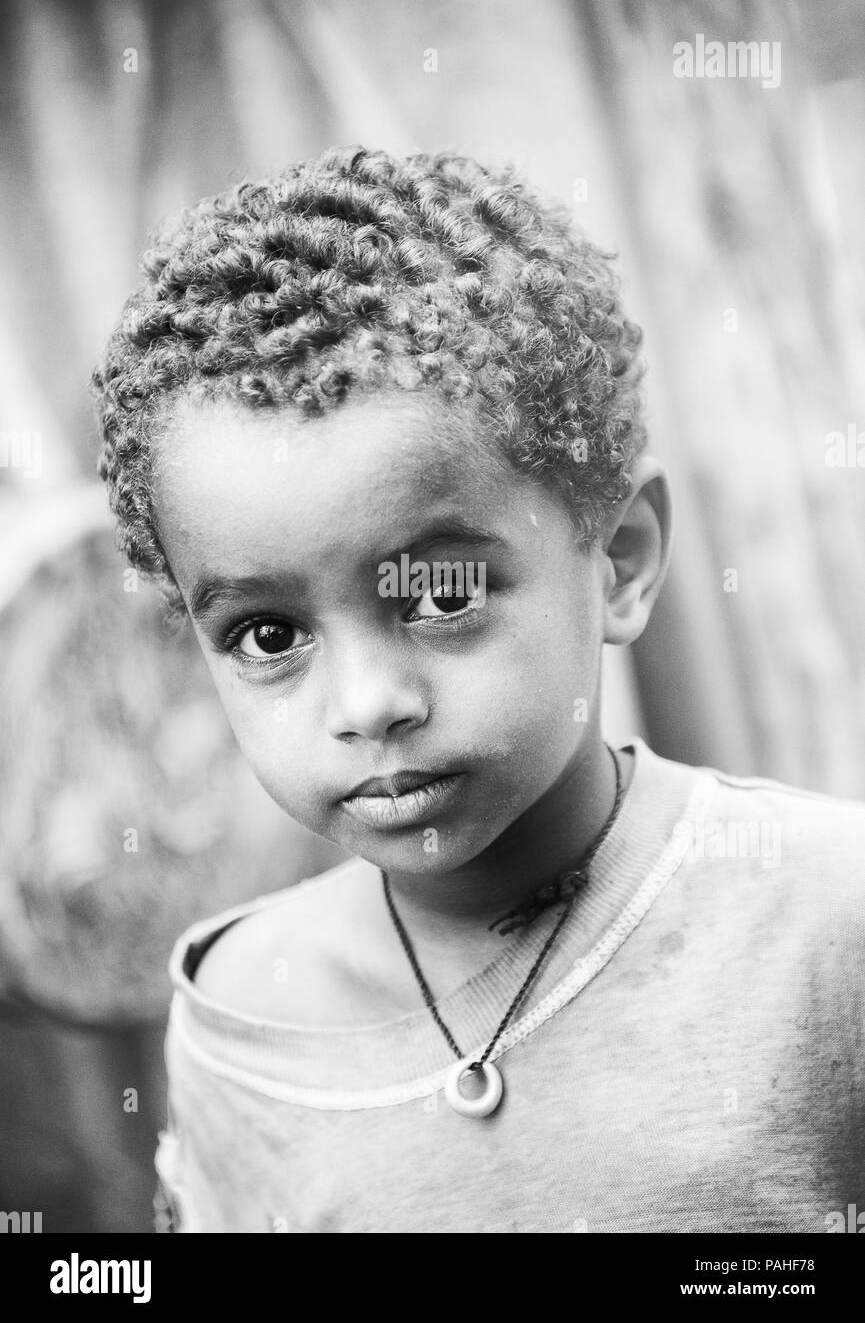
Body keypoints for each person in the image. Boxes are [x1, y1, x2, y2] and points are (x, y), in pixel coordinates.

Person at [91, 145, 865, 1233]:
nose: (366, 702)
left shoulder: (828, 923)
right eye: (268, 632)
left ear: (620, 560)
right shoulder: (241, 1020)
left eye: (440, 595)